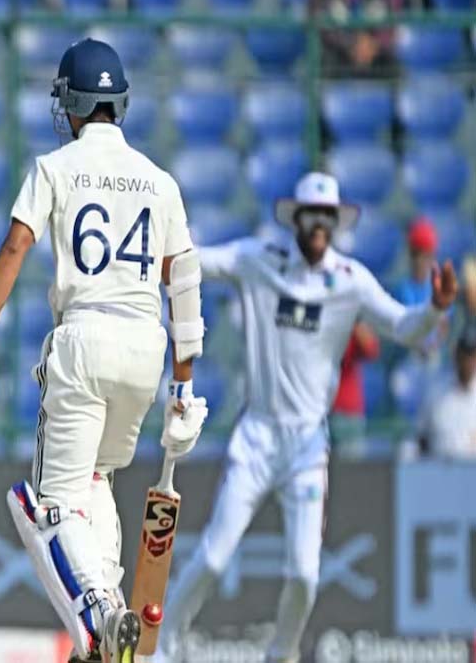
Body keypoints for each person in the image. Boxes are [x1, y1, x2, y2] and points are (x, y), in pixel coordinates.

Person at [0, 38, 209, 663]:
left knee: (44, 505)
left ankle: (97, 616)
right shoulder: (160, 181)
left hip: (84, 341)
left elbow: (16, 246)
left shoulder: (55, 167)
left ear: (69, 103)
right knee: (95, 481)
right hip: (145, 351)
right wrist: (184, 388)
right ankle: (108, 618)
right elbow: (183, 282)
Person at [154, 172, 457, 663]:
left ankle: (282, 654)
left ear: (336, 223)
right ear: (295, 218)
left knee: (304, 575)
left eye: (327, 218)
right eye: (311, 215)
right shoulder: (260, 259)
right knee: (213, 556)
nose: (318, 226)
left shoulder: (350, 280)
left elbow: (404, 327)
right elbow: (195, 261)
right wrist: (152, 247)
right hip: (257, 435)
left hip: (308, 446)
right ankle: (160, 650)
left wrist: (435, 311)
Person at [417, 323, 476, 460]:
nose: (469, 361)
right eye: (466, 354)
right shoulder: (436, 391)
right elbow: (422, 437)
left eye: (473, 355)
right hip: (439, 468)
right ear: (456, 355)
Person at [328, 322, 380, 450]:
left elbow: (371, 350)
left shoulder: (351, 325)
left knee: (349, 461)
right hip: (320, 410)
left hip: (346, 412)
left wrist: (354, 321)